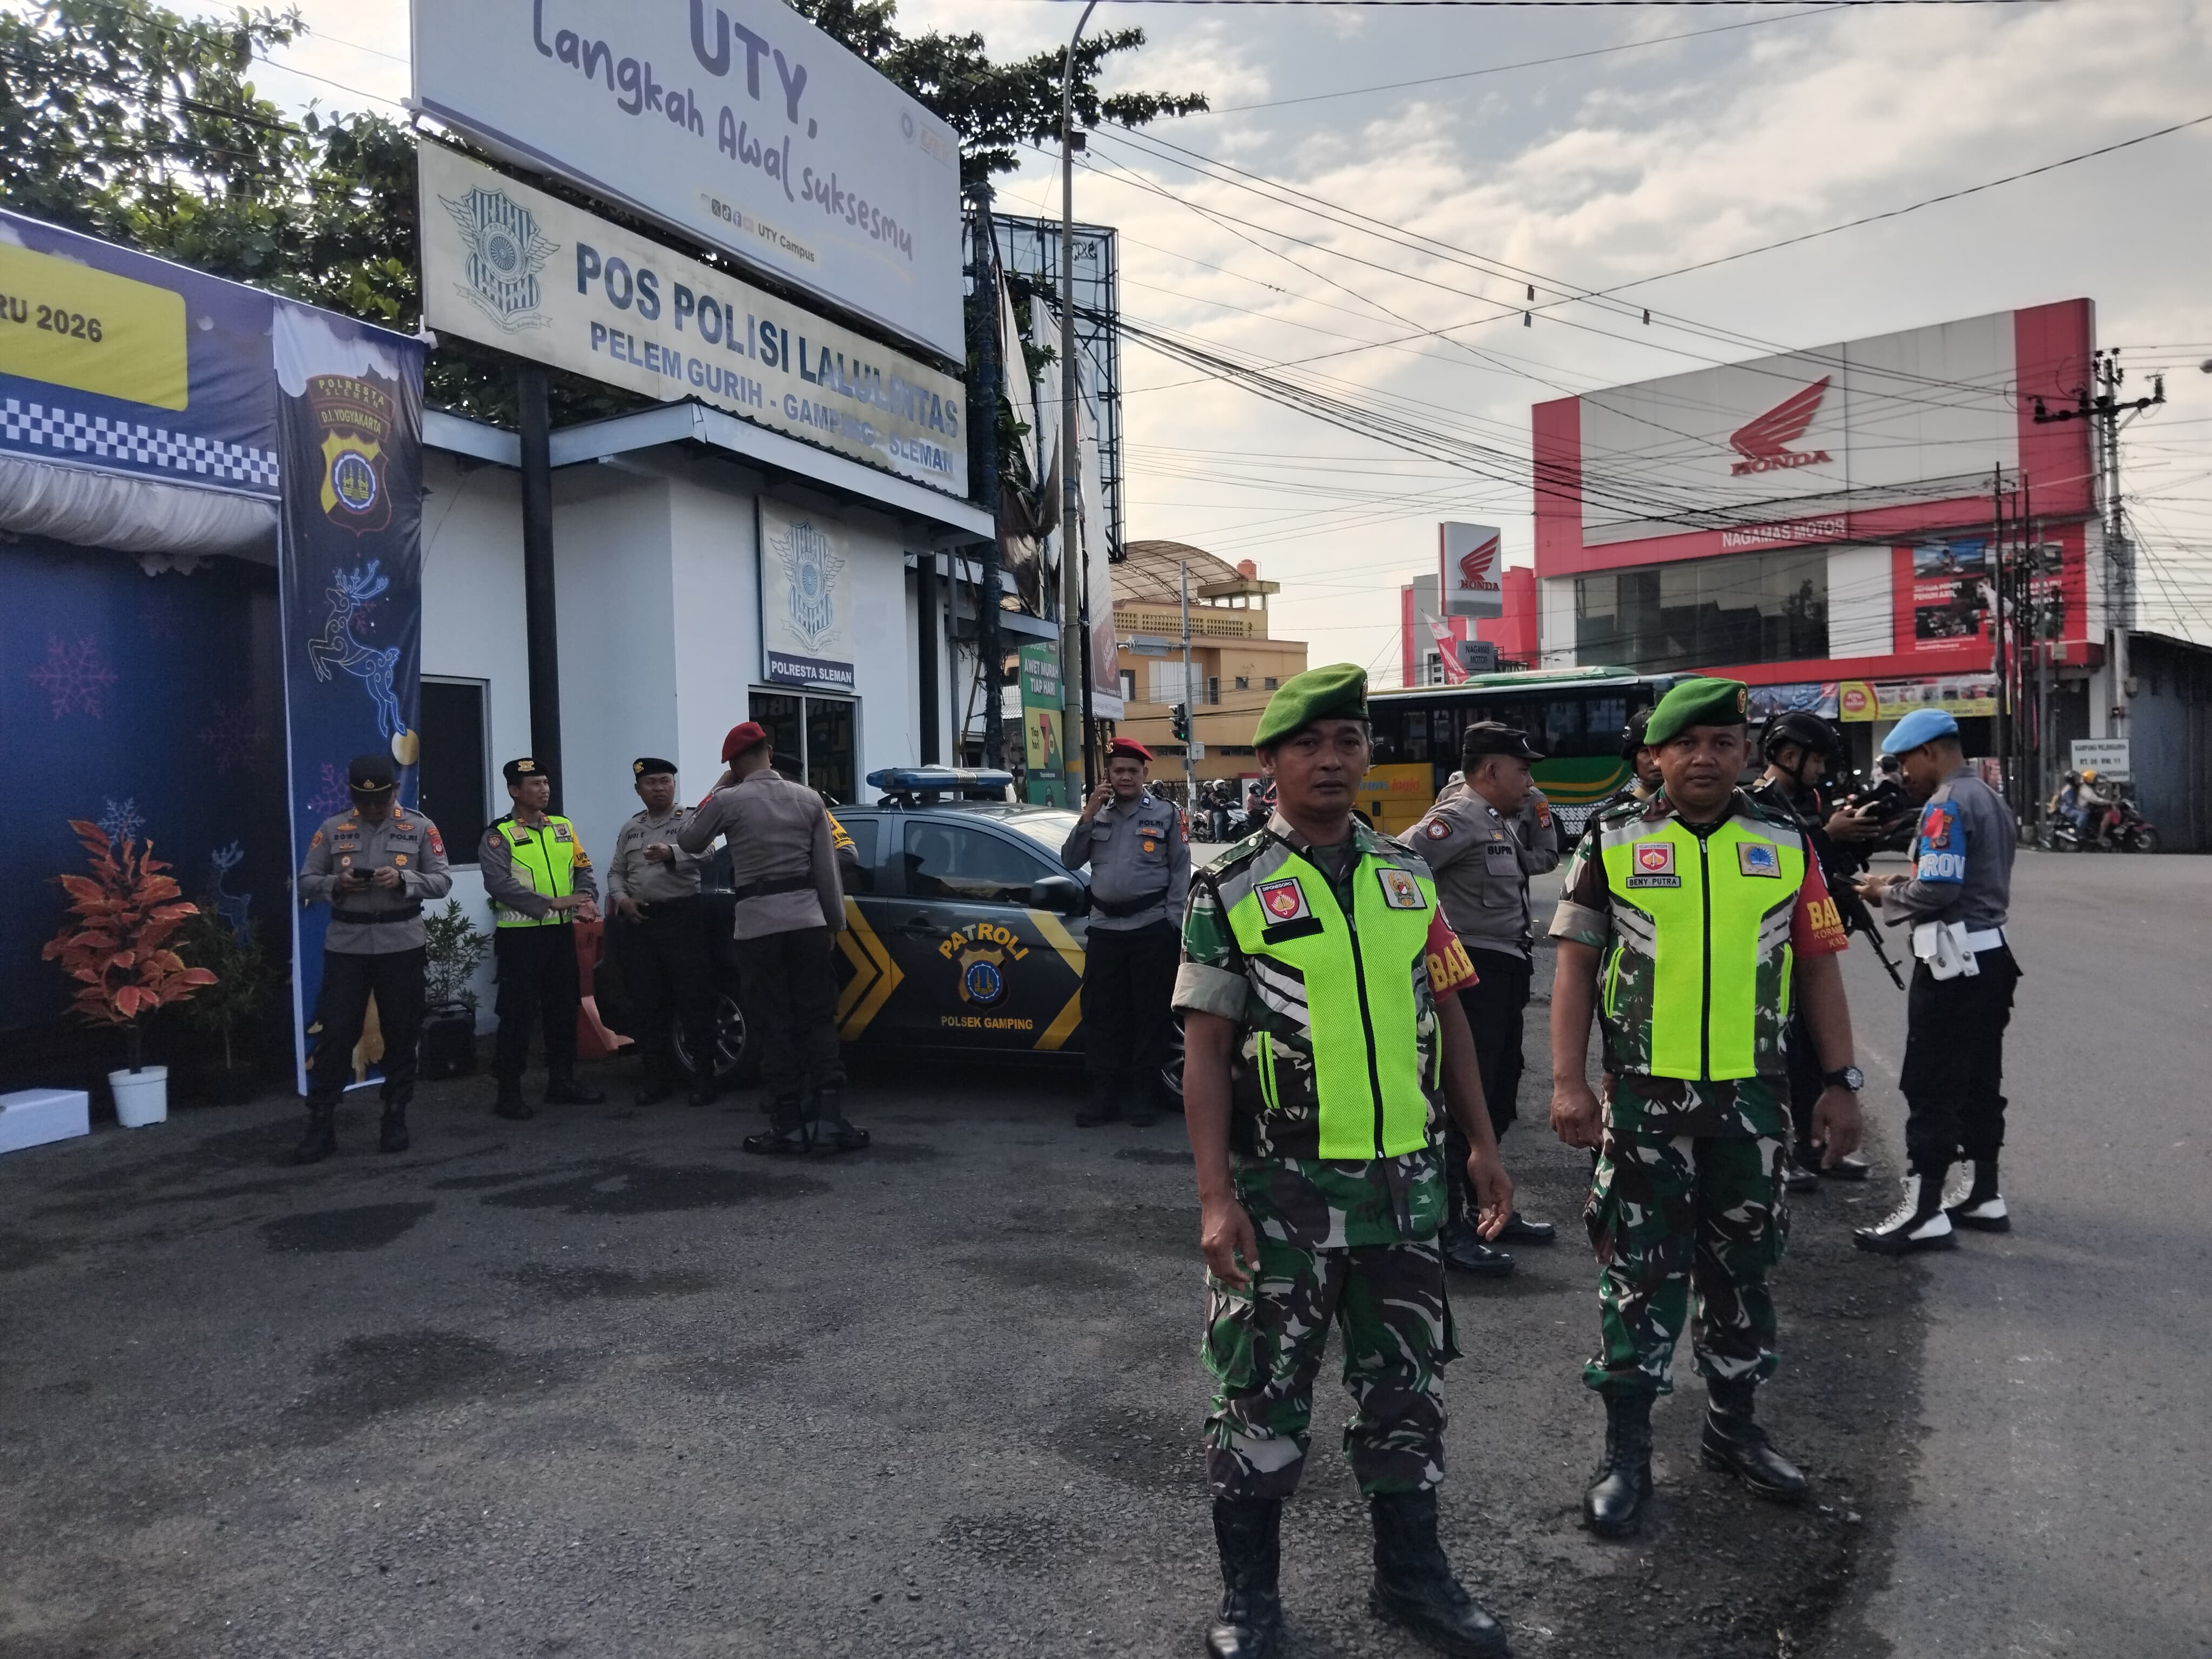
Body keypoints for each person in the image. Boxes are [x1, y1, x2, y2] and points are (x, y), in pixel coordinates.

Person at [1175, 664, 1516, 1659]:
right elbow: (1204, 1052)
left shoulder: (1406, 876)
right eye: (1308, 744)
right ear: (1271, 761)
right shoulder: (1230, 884)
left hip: (1404, 1193)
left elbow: (1448, 1014)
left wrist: (1483, 1145)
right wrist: (1214, 1198)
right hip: (1281, 1196)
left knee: (1407, 1390)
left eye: (1348, 741)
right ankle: (1249, 1599)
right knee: (1258, 1392)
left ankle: (1411, 1578)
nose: (1331, 760)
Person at [1548, 677, 1862, 1540]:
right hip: (1644, 1101)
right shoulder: (1613, 838)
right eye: (1687, 743)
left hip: (1753, 1100)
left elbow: (1820, 964)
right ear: (1656, 754)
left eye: (1723, 742)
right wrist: (1568, 1082)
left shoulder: (1786, 842)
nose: (1705, 758)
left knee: (1744, 1268)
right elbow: (1574, 967)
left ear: (1745, 753)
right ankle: (1627, 1453)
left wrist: (1840, 1081)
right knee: (1638, 1274)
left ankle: (1733, 1429)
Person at [1853, 707, 2020, 1253]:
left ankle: (1923, 1211)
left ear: (1929, 752)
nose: (1903, 775)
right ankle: (1983, 1193)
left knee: (1930, 1085)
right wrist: (1902, 880)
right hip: (1990, 958)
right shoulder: (1988, 797)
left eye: (1905, 763)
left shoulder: (1945, 805)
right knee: (1978, 1080)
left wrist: (1883, 893)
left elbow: (1940, 890)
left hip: (1951, 966)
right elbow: (1959, 878)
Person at [1403, 720, 1560, 1280]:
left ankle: (1486, 1211)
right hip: (1471, 975)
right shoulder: (1455, 820)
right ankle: (1450, 1229)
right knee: (1460, 1105)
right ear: (1491, 770)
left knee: (1497, 1095)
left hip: (1506, 970)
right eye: (1522, 770)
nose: (1529, 781)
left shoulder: (1497, 820)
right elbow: (1398, 867)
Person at [678, 721, 865, 1155]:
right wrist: (833, 923)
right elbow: (827, 869)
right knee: (818, 1016)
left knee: (773, 1020)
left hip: (758, 925)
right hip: (808, 922)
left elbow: (689, 839)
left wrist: (717, 787)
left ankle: (787, 1122)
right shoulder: (808, 798)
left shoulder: (729, 800)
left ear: (733, 763)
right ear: (770, 751)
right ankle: (830, 1119)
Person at [292, 752, 453, 1162]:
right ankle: (321, 1124)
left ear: (395, 790)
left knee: (401, 1033)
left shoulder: (420, 827)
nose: (372, 809)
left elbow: (442, 881)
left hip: (402, 943)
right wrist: (336, 883)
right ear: (352, 796)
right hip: (347, 946)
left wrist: (403, 880)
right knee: (336, 1034)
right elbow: (306, 882)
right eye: (363, 802)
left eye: (380, 800)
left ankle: (395, 1116)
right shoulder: (333, 828)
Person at [1746, 712, 1881, 1191]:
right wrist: (1828, 835)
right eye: (1817, 761)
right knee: (1779, 1056)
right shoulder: (1757, 804)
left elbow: (1824, 869)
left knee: (1813, 1054)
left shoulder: (1812, 801)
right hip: (1772, 949)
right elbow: (1777, 863)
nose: (1822, 771)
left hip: (1812, 941)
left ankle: (1813, 1146)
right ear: (1789, 755)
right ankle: (1780, 1151)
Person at [1062, 737, 1191, 1129]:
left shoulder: (1167, 814)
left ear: (1144, 774)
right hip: (1105, 930)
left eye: (1133, 771)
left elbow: (1180, 870)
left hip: (1151, 928)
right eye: (1118, 770)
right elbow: (1070, 860)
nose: (1126, 777)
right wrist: (1087, 815)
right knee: (1102, 1013)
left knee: (1149, 1014)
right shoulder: (1096, 815)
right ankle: (1104, 1097)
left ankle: (1142, 1097)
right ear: (1109, 774)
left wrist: (1172, 923)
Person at [482, 757, 604, 1120]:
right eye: (535, 784)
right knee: (517, 1015)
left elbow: (582, 868)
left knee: (563, 1009)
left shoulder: (563, 826)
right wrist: (550, 903)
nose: (544, 789)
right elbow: (498, 883)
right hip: (520, 938)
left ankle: (562, 1082)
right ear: (514, 791)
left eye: (546, 783)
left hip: (560, 936)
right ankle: (508, 1093)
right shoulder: (499, 834)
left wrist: (586, 898)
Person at [605, 757, 714, 1108]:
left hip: (682, 918)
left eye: (665, 781)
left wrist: (671, 853)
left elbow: (708, 852)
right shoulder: (631, 828)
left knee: (693, 999)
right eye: (651, 783)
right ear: (638, 789)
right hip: (642, 923)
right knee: (648, 1002)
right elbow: (616, 872)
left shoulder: (690, 819)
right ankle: (657, 1079)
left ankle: (704, 1078)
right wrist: (623, 900)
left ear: (674, 785)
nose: (659, 788)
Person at [1575, 709, 1662, 853]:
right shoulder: (1605, 820)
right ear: (1634, 759)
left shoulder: (1695, 812)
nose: (1655, 761)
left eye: (1662, 751)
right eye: (1646, 752)